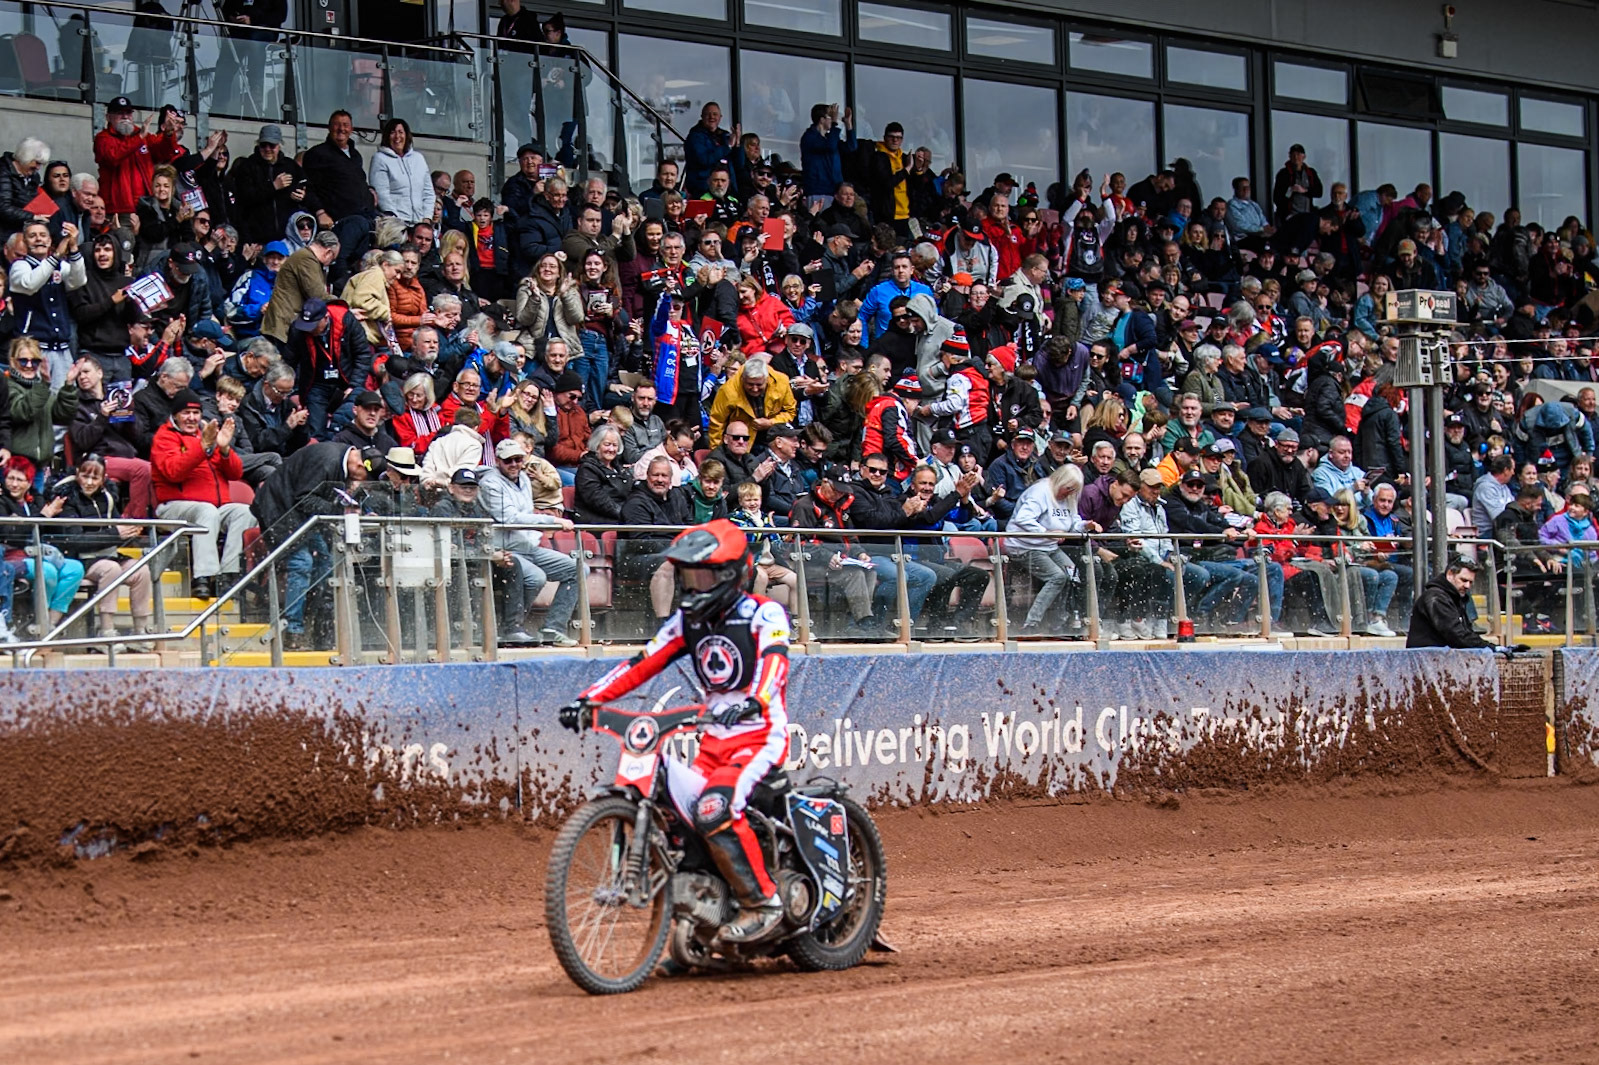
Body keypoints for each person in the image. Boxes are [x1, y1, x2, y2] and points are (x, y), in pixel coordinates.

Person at [562, 519, 790, 943]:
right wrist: (589, 699)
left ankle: (764, 902)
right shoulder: (688, 622)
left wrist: (753, 700)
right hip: (712, 745)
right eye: (688, 577)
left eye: (702, 576)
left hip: (759, 738)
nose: (693, 586)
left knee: (713, 810)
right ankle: (703, 912)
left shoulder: (764, 612)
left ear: (731, 574)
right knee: (667, 795)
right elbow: (641, 663)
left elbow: (774, 664)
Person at [149, 388, 257, 600]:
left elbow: (235, 472)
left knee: (245, 511)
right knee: (207, 512)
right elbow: (173, 472)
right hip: (174, 506)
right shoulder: (164, 437)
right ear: (176, 415)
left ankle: (229, 575)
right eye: (186, 413)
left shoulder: (206, 433)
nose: (191, 418)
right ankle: (204, 577)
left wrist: (225, 449)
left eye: (196, 413)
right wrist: (203, 446)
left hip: (214, 508)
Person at [477, 436, 579, 646]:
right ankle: (511, 628)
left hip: (528, 545)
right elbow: (510, 518)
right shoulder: (490, 483)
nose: (514, 464)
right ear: (498, 461)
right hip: (503, 547)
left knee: (578, 569)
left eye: (518, 459)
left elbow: (527, 510)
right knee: (536, 578)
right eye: (508, 460)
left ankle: (553, 628)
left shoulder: (523, 478)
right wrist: (553, 520)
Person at [1005, 463, 1094, 636]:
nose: (1069, 493)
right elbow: (1022, 519)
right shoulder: (1040, 492)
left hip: (1048, 547)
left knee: (1072, 573)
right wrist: (1047, 533)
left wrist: (1086, 525)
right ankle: (1031, 623)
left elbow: (1073, 523)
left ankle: (1059, 622)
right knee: (1057, 576)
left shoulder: (1070, 497)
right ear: (1060, 481)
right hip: (1024, 545)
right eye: (1067, 488)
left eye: (1073, 490)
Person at [1406, 556, 1499, 650]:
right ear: (1450, 574)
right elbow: (1456, 634)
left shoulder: (1455, 598)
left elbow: (1464, 633)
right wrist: (1490, 647)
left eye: (1470, 582)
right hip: (1427, 658)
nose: (1467, 586)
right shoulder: (1436, 597)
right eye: (1463, 580)